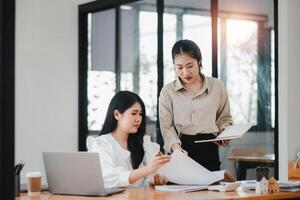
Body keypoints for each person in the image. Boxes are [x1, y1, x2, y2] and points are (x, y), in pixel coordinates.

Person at [159, 39, 233, 171]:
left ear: (199, 61)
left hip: (209, 149)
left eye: (190, 66)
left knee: (210, 190)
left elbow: (224, 118)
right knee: (178, 191)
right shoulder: (168, 91)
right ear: (174, 65)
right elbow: (166, 127)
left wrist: (224, 134)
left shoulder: (217, 86)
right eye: (179, 67)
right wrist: (176, 148)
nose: (185, 73)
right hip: (180, 149)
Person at [87, 91, 170, 188]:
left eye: (140, 114)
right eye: (134, 113)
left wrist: (153, 181)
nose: (138, 118)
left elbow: (141, 183)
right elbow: (109, 179)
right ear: (117, 114)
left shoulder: (143, 143)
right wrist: (148, 169)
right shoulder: (101, 144)